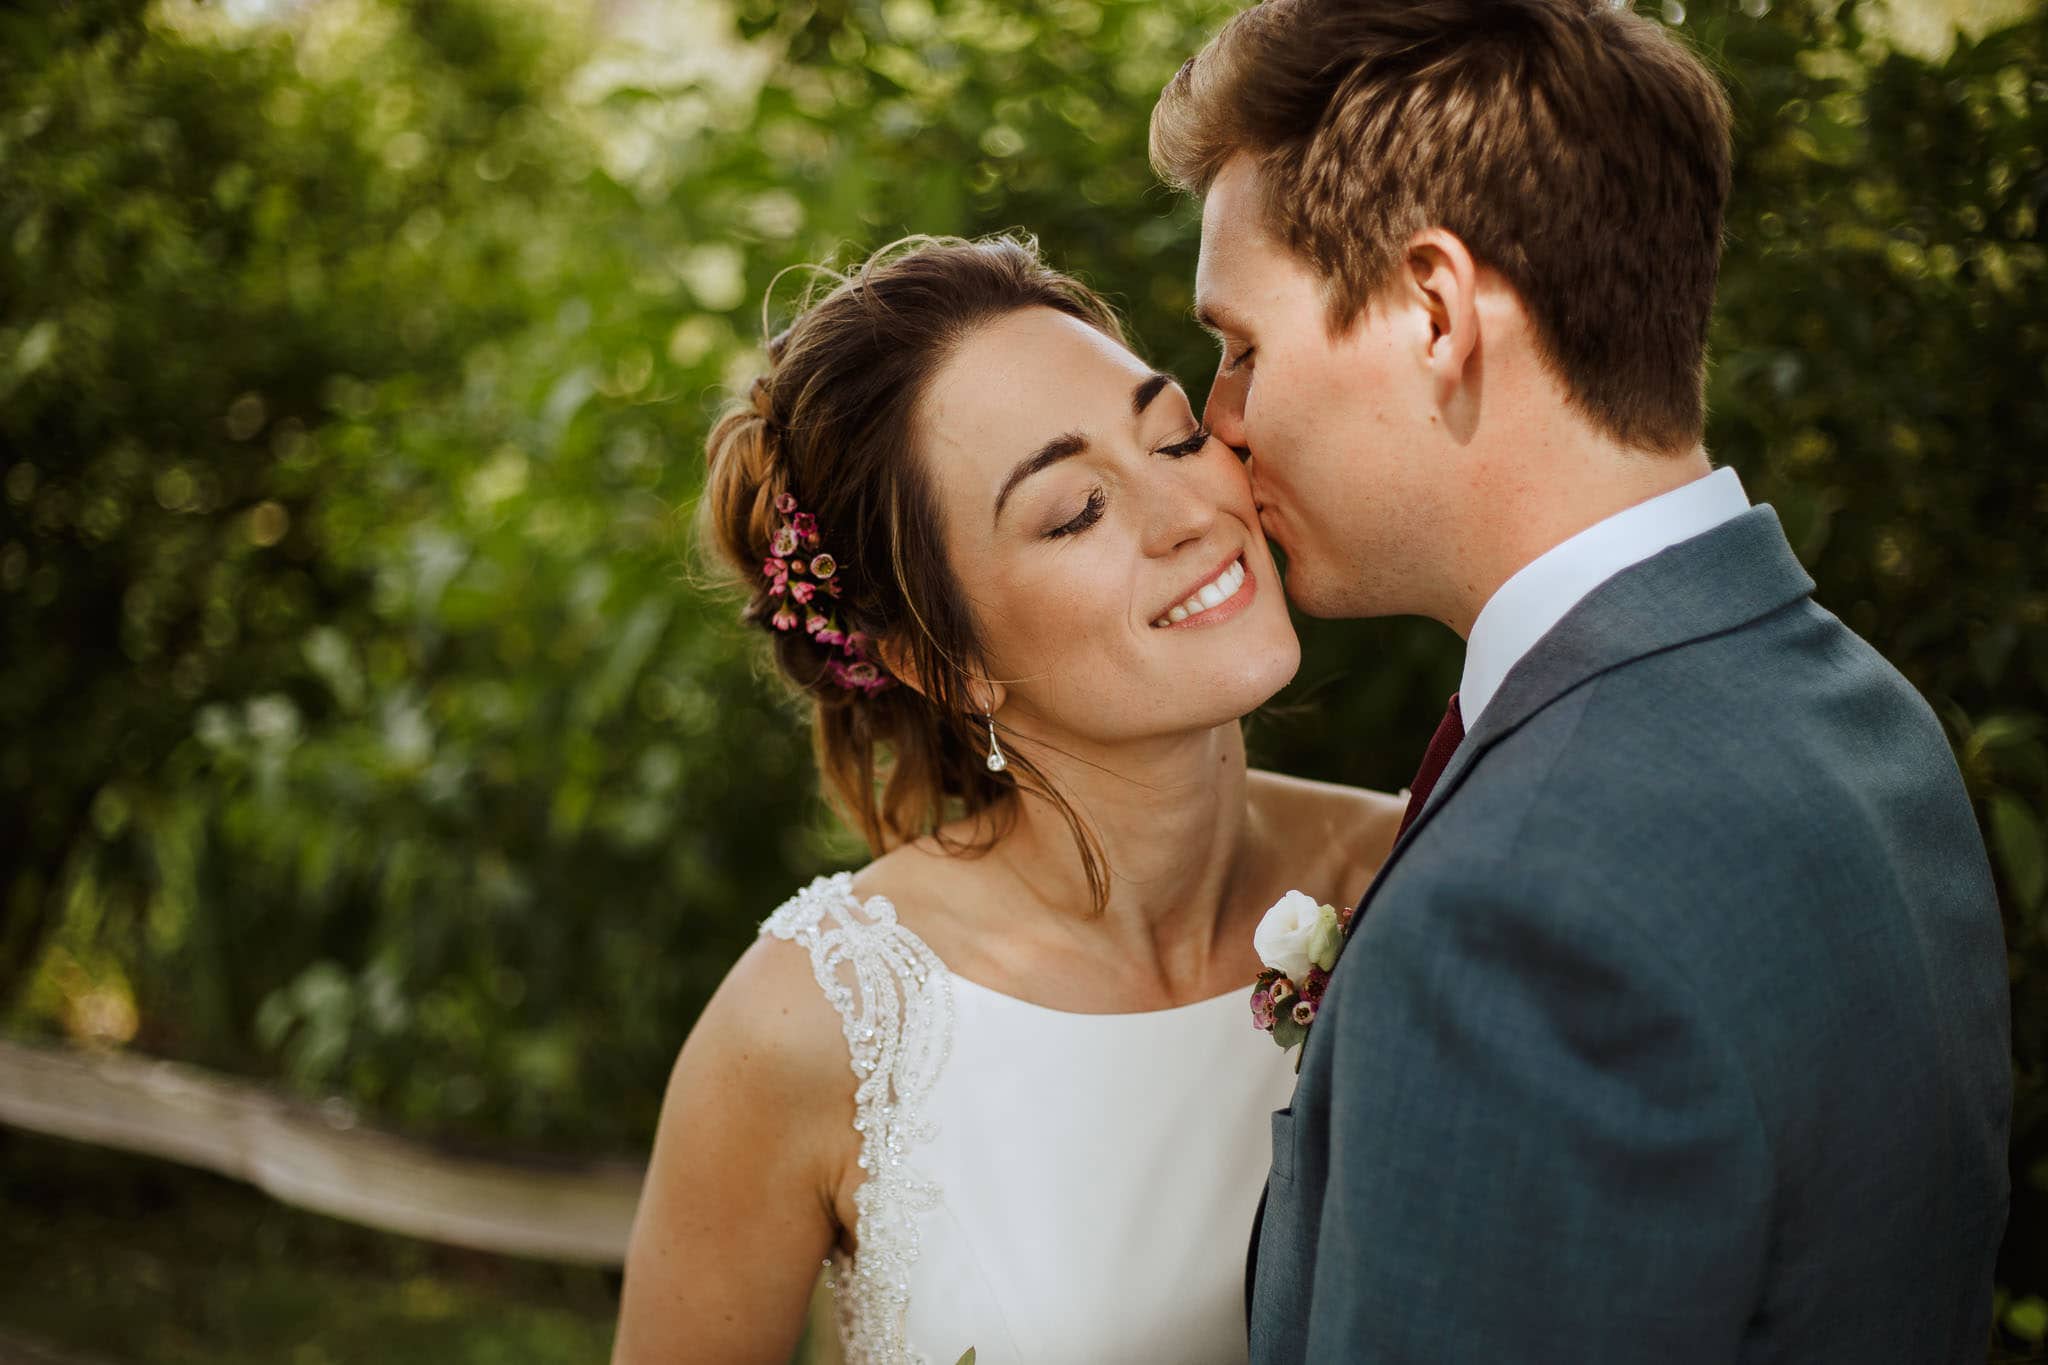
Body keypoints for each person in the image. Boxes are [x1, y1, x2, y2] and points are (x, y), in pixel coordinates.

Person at [1150, 0, 2014, 1360]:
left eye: (1245, 345)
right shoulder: (1863, 714)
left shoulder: (1520, 909)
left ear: (1433, 311)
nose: (1222, 418)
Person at [609, 235, 1407, 1365]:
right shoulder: (814, 1026)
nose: (1184, 513)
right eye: (1075, 509)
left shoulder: (1418, 879)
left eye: (1174, 436)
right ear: (941, 661)